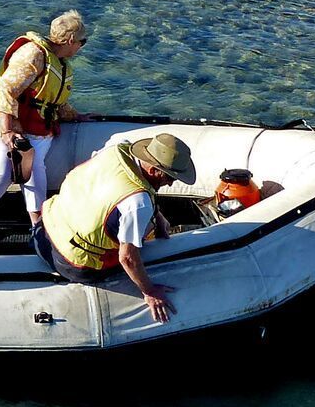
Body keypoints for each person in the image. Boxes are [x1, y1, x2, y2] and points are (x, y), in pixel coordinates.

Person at [34, 132, 196, 323]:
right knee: (135, 242)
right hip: (71, 264)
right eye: (170, 178)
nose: (170, 183)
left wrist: (158, 217)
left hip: (42, 230)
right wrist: (150, 291)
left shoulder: (117, 148)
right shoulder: (138, 204)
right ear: (153, 170)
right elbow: (127, 258)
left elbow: (109, 189)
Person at [0, 10, 87, 248]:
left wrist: (77, 116)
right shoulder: (33, 54)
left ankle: (36, 226)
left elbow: (52, 100)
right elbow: (7, 90)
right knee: (1, 166)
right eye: (83, 42)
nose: (82, 47)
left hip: (34, 125)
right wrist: (7, 130)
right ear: (72, 41)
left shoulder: (59, 63)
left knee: (36, 168)